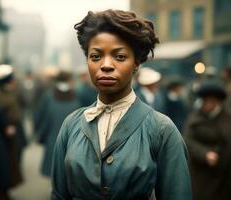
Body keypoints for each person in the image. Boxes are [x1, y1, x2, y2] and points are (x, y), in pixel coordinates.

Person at [51, 9, 191, 200]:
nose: (106, 65)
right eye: (95, 56)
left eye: (120, 57)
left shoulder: (161, 130)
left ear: (137, 64)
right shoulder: (71, 125)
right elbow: (59, 194)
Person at [183, 82, 231, 200]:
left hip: (223, 173)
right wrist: (204, 154)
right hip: (200, 173)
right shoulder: (195, 118)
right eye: (204, 101)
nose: (205, 104)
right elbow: (187, 141)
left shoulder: (227, 118)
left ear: (216, 102)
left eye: (208, 101)